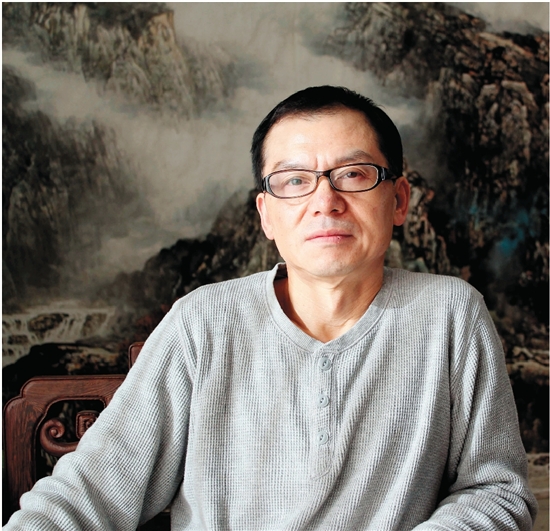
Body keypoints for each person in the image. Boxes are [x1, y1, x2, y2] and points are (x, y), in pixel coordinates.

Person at [4, 86, 537, 530]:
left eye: (353, 174)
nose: (325, 201)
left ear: (398, 200)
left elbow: (495, 492)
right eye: (295, 181)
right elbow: (89, 493)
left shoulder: (450, 315)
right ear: (266, 214)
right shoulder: (202, 323)